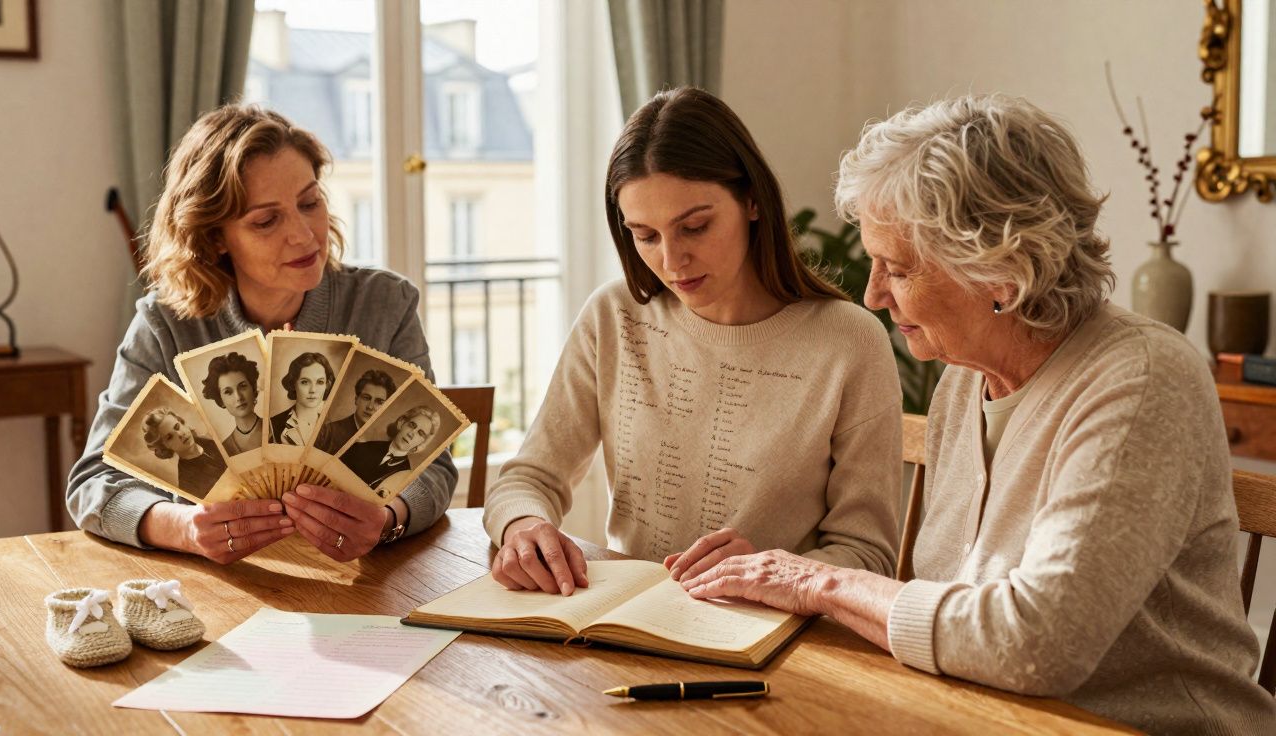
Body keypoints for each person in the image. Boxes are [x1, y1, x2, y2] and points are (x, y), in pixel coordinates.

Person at [679, 95, 1276, 733]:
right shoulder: (962, 384)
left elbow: (1035, 644)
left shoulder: (1143, 382)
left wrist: (816, 584)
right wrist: (781, 573)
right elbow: (946, 609)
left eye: (898, 268)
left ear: (1002, 271)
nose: (874, 294)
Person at [482, 87, 902, 598]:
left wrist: (776, 573)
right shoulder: (613, 316)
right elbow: (529, 479)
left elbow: (868, 553)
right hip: (631, 624)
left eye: (695, 227)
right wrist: (524, 529)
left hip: (775, 637)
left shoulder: (849, 342)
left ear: (751, 200)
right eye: (646, 235)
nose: (672, 260)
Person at [67, 105, 457, 564]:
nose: (304, 235)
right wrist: (185, 529)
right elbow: (93, 482)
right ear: (214, 237)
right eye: (266, 221)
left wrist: (388, 520)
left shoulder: (385, 304)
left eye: (310, 203)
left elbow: (433, 467)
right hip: (217, 588)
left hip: (359, 581)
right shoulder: (163, 324)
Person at [340, 405, 440, 495]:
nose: (411, 434)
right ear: (401, 423)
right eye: (412, 425)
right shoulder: (362, 447)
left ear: (421, 443)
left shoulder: (405, 476)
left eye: (420, 433)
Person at [140, 408, 227, 498]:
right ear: (164, 447)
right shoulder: (188, 482)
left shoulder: (214, 441)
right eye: (170, 437)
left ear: (182, 423)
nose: (180, 434)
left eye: (177, 427)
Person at [316, 369, 397, 454]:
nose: (370, 406)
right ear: (356, 399)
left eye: (379, 402)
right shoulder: (329, 433)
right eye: (366, 398)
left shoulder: (383, 444)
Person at [200, 351, 262, 455]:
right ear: (221, 400)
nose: (238, 397)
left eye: (242, 386)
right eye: (228, 392)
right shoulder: (225, 450)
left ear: (253, 388)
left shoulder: (277, 427)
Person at [269, 351, 333, 446]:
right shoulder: (273, 424)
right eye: (305, 382)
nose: (313, 390)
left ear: (327, 385)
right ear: (293, 384)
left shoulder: (332, 426)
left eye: (320, 382)